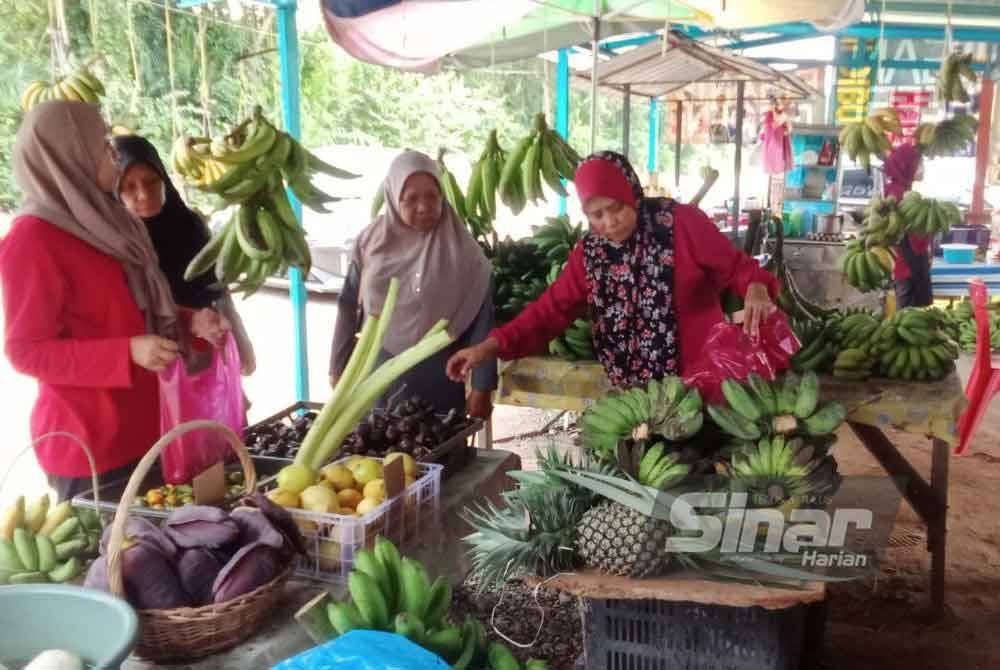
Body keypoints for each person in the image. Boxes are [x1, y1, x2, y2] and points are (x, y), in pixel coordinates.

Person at [447, 151, 779, 390]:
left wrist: (755, 286)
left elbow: (739, 269)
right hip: (633, 398)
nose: (609, 222)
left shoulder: (681, 224)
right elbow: (550, 312)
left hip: (700, 383)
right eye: (596, 215)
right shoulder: (590, 255)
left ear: (631, 195)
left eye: (616, 208)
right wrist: (488, 347)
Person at [0, 101, 180, 500]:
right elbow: (26, 351)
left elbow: (131, 310)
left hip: (150, 429)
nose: (114, 153)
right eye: (102, 144)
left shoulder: (111, 220)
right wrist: (126, 353)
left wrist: (188, 320)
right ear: (68, 155)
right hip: (90, 447)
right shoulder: (32, 240)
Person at [330, 150, 496, 417]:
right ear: (394, 199)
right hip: (375, 378)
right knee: (374, 454)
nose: (423, 206)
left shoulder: (465, 252)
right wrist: (337, 368)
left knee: (439, 450)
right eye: (411, 198)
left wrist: (481, 387)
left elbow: (483, 321)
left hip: (440, 378)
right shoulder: (370, 244)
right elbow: (347, 306)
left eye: (432, 196)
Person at [112, 134, 255, 373]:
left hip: (205, 347)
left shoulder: (190, 225)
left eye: (151, 181)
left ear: (164, 179)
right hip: (152, 361)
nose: (144, 194)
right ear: (115, 192)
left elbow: (218, 291)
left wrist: (240, 343)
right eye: (129, 187)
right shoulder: (116, 242)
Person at [884, 143, 932, 308]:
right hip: (907, 268)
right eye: (919, 164)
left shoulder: (900, 190)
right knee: (906, 319)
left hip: (906, 267)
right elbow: (913, 236)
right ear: (906, 166)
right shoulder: (899, 195)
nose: (923, 168)